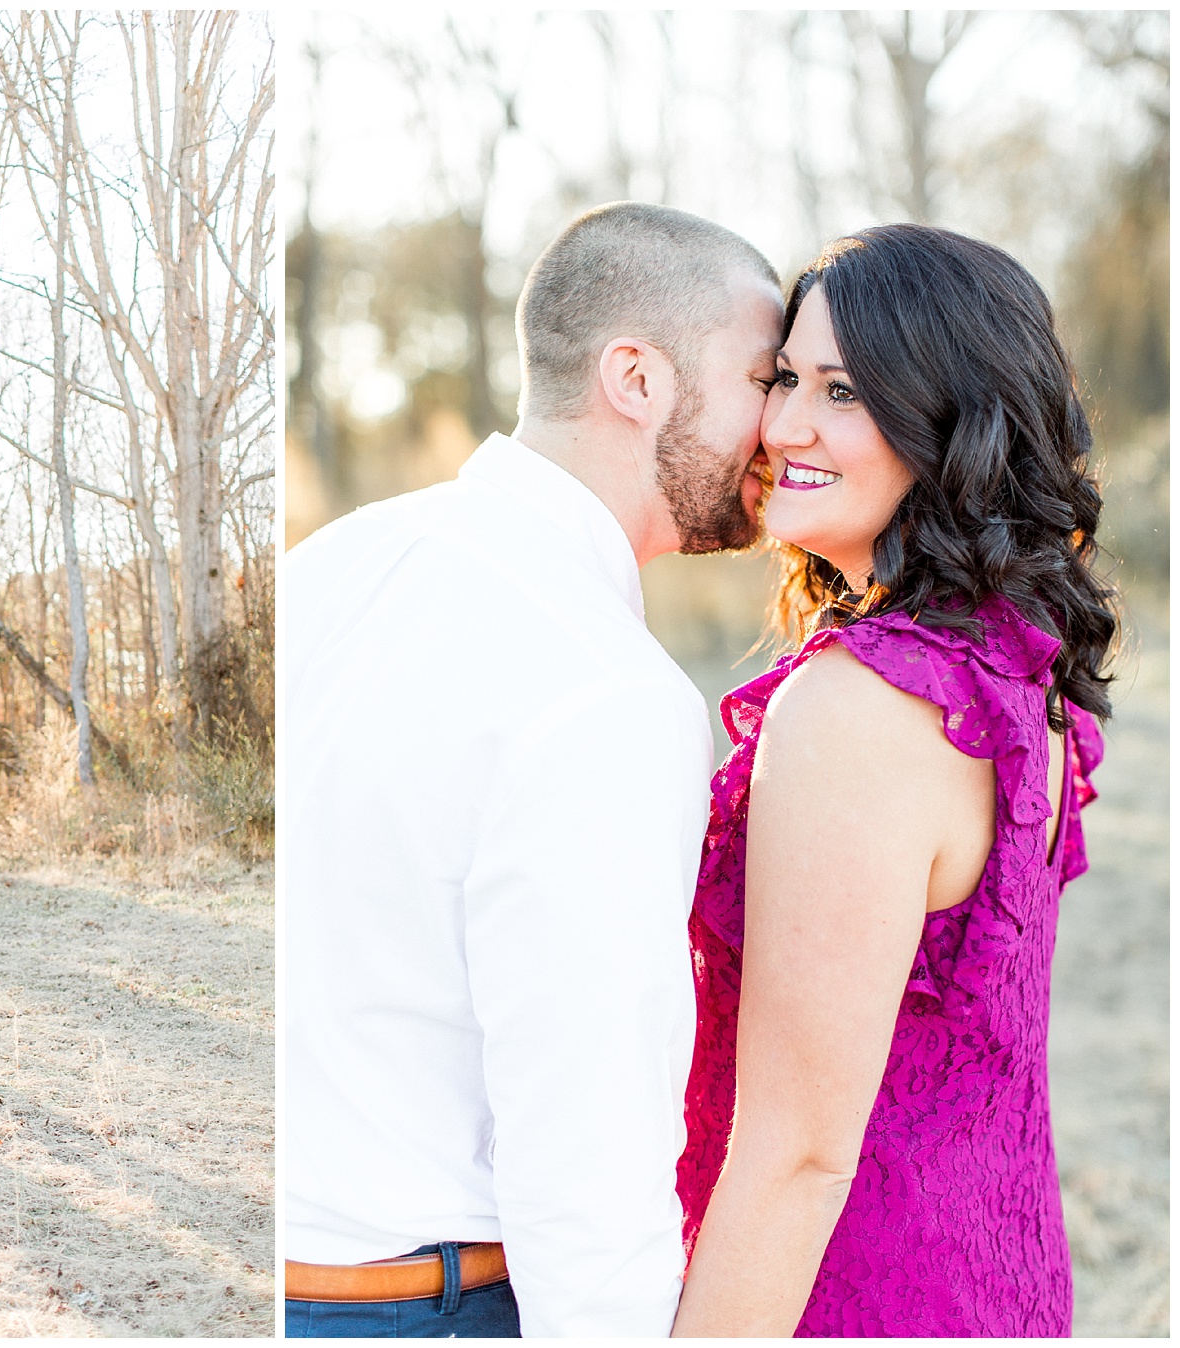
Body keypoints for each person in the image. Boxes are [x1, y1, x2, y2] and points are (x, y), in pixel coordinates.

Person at [283, 202, 784, 1337]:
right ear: (636, 377)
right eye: (763, 376)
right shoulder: (606, 686)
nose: (782, 419)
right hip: (419, 1305)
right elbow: (586, 1142)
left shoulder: (330, 564)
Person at [672, 225, 1115, 1336]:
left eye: (843, 391)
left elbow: (802, 1157)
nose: (784, 427)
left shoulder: (861, 710)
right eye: (783, 380)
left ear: (951, 422)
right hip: (1000, 1280)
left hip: (856, 1295)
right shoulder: (1020, 671)